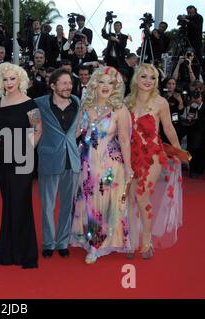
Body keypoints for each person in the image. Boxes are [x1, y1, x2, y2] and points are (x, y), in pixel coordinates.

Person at [70, 67, 133, 264]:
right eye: (102, 82)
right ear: (94, 83)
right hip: (87, 164)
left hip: (110, 166)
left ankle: (98, 245)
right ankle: (91, 240)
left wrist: (129, 167)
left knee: (105, 204)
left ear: (115, 87)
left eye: (110, 83)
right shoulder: (85, 106)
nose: (106, 86)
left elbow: (124, 140)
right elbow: (76, 133)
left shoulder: (120, 109)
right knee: (89, 203)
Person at [125, 64, 183, 259]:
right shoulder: (127, 102)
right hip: (131, 156)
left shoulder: (161, 103)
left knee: (141, 197)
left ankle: (147, 242)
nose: (148, 81)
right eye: (144, 77)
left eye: (152, 78)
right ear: (136, 79)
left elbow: (169, 128)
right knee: (130, 199)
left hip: (153, 156)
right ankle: (132, 242)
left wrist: (178, 151)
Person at [0, 62, 42, 269]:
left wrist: (26, 150)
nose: (9, 82)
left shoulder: (30, 104)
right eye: (5, 79)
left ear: (20, 80)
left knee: (21, 203)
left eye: (13, 78)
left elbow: (38, 129)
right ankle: (8, 251)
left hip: (22, 160)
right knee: (8, 203)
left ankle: (25, 252)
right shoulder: (0, 102)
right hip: (2, 160)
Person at [34, 68, 80, 259]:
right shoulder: (38, 104)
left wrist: (68, 141)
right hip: (49, 159)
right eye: (63, 83)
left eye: (69, 83)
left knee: (67, 206)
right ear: (53, 85)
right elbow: (33, 128)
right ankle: (48, 243)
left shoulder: (78, 102)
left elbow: (78, 129)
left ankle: (62, 242)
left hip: (72, 159)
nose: (68, 86)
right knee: (47, 205)